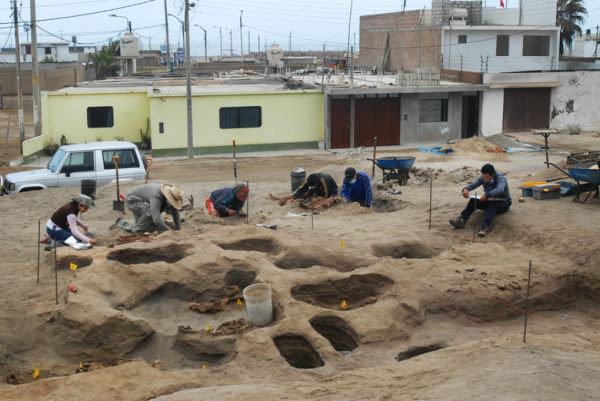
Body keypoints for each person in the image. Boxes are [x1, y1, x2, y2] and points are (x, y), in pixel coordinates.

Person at [449, 163, 511, 237]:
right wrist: (465, 189)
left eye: (487, 177)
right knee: (473, 200)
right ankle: (462, 220)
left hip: (503, 203)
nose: (485, 179)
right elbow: (474, 184)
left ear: (493, 174)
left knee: (493, 203)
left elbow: (500, 189)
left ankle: (485, 226)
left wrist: (487, 195)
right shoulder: (483, 178)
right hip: (489, 200)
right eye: (483, 177)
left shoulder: (501, 178)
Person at [116, 183, 183, 232]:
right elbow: (157, 219)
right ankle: (134, 228)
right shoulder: (156, 196)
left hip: (144, 201)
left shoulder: (170, 193)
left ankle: (144, 223)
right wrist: (170, 232)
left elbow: (175, 212)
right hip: (132, 201)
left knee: (164, 206)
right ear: (169, 196)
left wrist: (178, 229)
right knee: (149, 214)